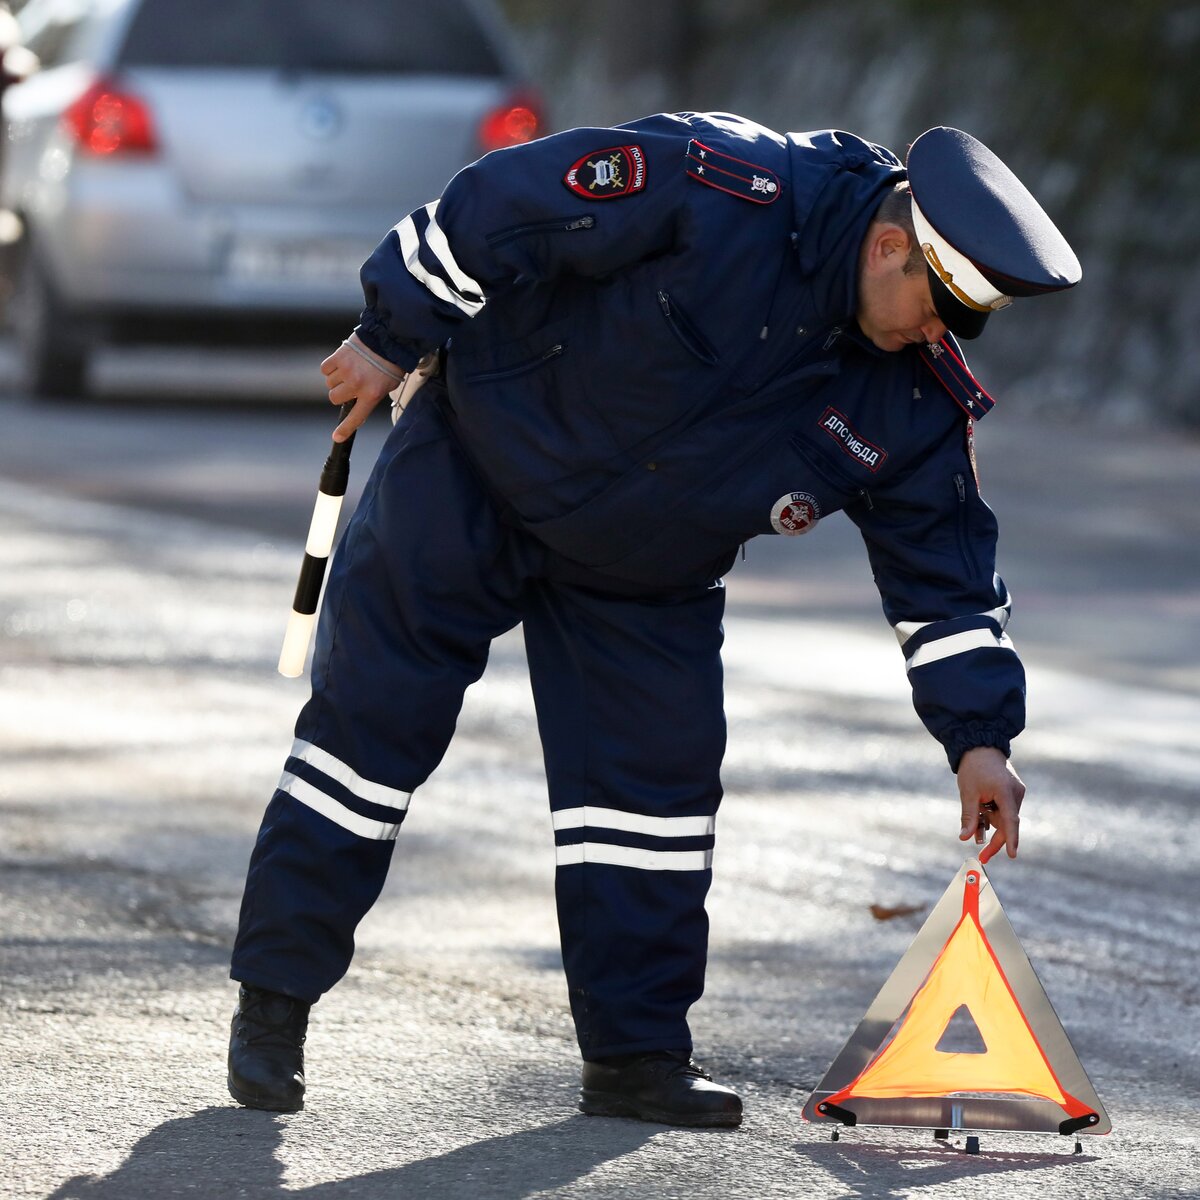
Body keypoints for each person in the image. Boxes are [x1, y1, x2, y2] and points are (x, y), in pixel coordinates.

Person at [226, 113, 1080, 1127]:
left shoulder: (912, 396)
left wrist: (980, 740)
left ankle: (635, 1063)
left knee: (651, 811)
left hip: (645, 573)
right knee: (363, 749)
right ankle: (274, 1009)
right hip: (476, 470)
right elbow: (507, 202)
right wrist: (390, 331)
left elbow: (946, 578)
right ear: (889, 244)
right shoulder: (723, 184)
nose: (936, 333)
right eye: (935, 307)